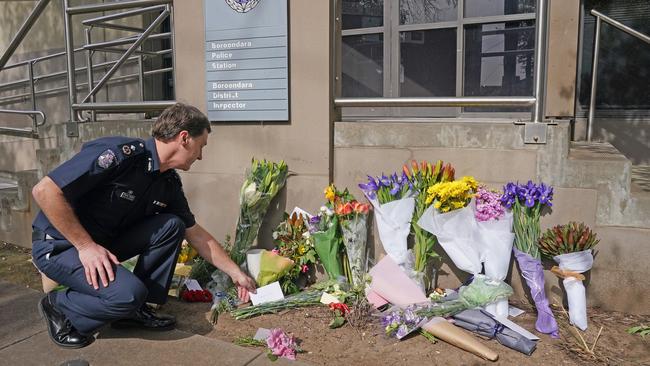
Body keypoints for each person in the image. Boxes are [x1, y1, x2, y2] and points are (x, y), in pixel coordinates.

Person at [31, 103, 256, 348]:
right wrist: (85, 246)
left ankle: (134, 312)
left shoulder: (167, 182)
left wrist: (236, 273)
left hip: (103, 244)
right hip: (61, 245)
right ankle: (59, 305)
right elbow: (45, 191)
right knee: (127, 295)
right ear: (184, 138)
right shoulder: (118, 154)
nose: (200, 156)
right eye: (200, 147)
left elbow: (196, 234)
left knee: (173, 224)